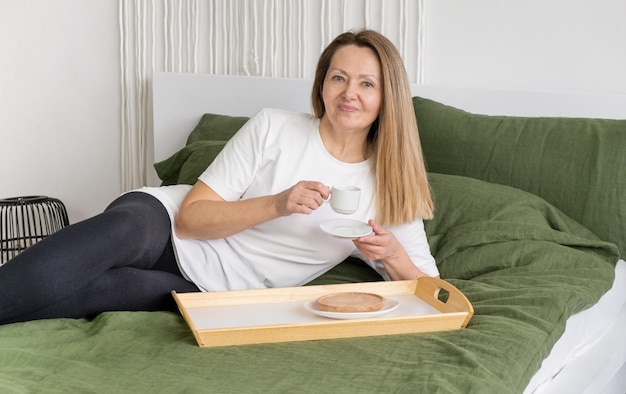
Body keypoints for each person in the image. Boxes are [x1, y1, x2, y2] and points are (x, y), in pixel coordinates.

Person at [0, 29, 438, 325]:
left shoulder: (390, 184)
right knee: (122, 228)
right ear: (322, 84)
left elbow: (435, 294)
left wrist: (393, 254)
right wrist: (277, 203)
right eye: (339, 77)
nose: (349, 93)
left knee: (101, 292)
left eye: (367, 84)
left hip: (214, 286)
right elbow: (191, 219)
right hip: (165, 224)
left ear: (387, 97)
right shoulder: (274, 127)